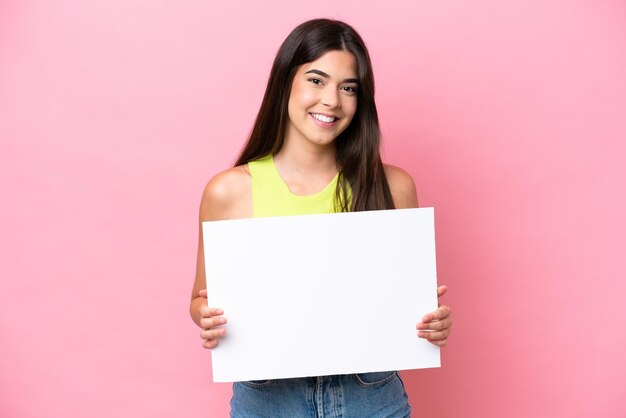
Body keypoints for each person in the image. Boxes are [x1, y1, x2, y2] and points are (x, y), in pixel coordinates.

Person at [189, 18, 452, 417]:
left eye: (348, 88)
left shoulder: (392, 186)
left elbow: (405, 304)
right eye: (316, 80)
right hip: (268, 399)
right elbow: (199, 299)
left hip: (371, 393)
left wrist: (430, 323)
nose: (332, 100)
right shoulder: (229, 191)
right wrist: (206, 319)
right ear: (285, 82)